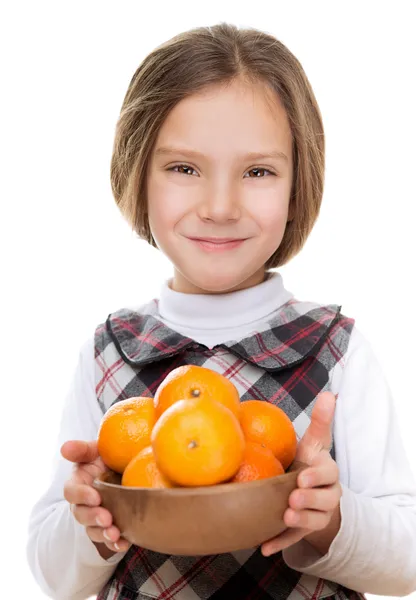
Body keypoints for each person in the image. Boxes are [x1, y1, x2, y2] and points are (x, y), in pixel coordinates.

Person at [27, 22, 416, 600]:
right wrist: (93, 522)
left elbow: (406, 559)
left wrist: (331, 517)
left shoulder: (337, 348)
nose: (219, 206)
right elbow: (53, 575)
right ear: (139, 175)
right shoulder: (108, 350)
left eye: (257, 171)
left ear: (296, 186)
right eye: (184, 168)